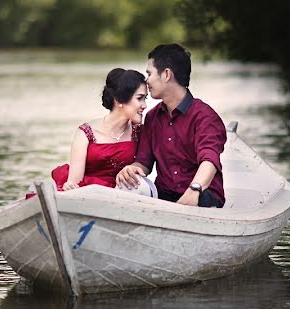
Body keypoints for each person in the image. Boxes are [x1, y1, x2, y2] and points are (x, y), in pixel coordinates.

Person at [116, 43, 227, 208]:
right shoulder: (153, 117)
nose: (147, 81)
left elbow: (209, 160)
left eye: (149, 73)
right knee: (127, 191)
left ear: (166, 74)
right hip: (165, 196)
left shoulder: (205, 117)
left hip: (202, 195)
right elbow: (144, 162)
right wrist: (131, 169)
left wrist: (194, 190)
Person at [50, 68, 147, 191]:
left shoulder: (140, 132)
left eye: (145, 99)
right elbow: (74, 182)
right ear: (119, 100)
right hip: (88, 193)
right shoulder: (86, 133)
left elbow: (145, 166)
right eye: (139, 98)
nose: (144, 105)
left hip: (125, 194)